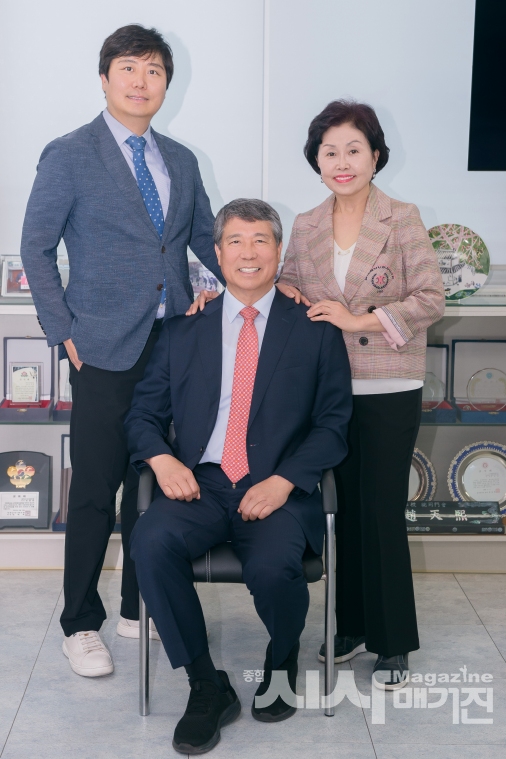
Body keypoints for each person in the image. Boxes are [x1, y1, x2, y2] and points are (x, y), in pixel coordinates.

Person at [20, 24, 224, 678]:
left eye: (154, 71)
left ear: (167, 84)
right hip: (102, 348)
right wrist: (62, 328)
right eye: (129, 68)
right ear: (105, 78)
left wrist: (245, 284)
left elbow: (206, 240)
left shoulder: (181, 160)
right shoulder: (69, 154)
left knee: (156, 483)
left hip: (174, 347)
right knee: (95, 490)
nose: (141, 81)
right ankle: (80, 623)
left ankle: (140, 605)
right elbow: (35, 247)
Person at [125, 199, 352, 754]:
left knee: (274, 567)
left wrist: (285, 481)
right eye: (235, 241)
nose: (248, 253)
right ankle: (206, 684)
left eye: (260, 240)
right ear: (218, 252)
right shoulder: (183, 331)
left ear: (279, 250)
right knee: (149, 541)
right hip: (201, 484)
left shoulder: (315, 332)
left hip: (276, 487)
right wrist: (162, 460)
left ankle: (281, 659)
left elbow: (333, 426)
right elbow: (142, 415)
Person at [277, 99, 445, 689]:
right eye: (330, 152)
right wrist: (283, 293)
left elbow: (430, 297)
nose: (342, 162)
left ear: (375, 155)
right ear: (316, 161)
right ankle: (348, 625)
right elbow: (288, 284)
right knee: (338, 510)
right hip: (327, 389)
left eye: (353, 149)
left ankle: (392, 641)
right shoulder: (305, 224)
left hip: (389, 383)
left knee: (381, 511)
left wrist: (359, 320)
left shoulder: (402, 217)